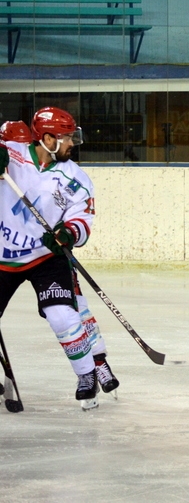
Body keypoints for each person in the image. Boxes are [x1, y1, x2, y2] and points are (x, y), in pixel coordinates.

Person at [0, 110, 118, 410]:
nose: (72, 144)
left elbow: (82, 218)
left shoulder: (76, 178)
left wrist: (69, 233)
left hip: (46, 256)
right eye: (66, 138)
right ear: (47, 138)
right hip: (3, 255)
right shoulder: (11, 154)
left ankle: (87, 374)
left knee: (63, 315)